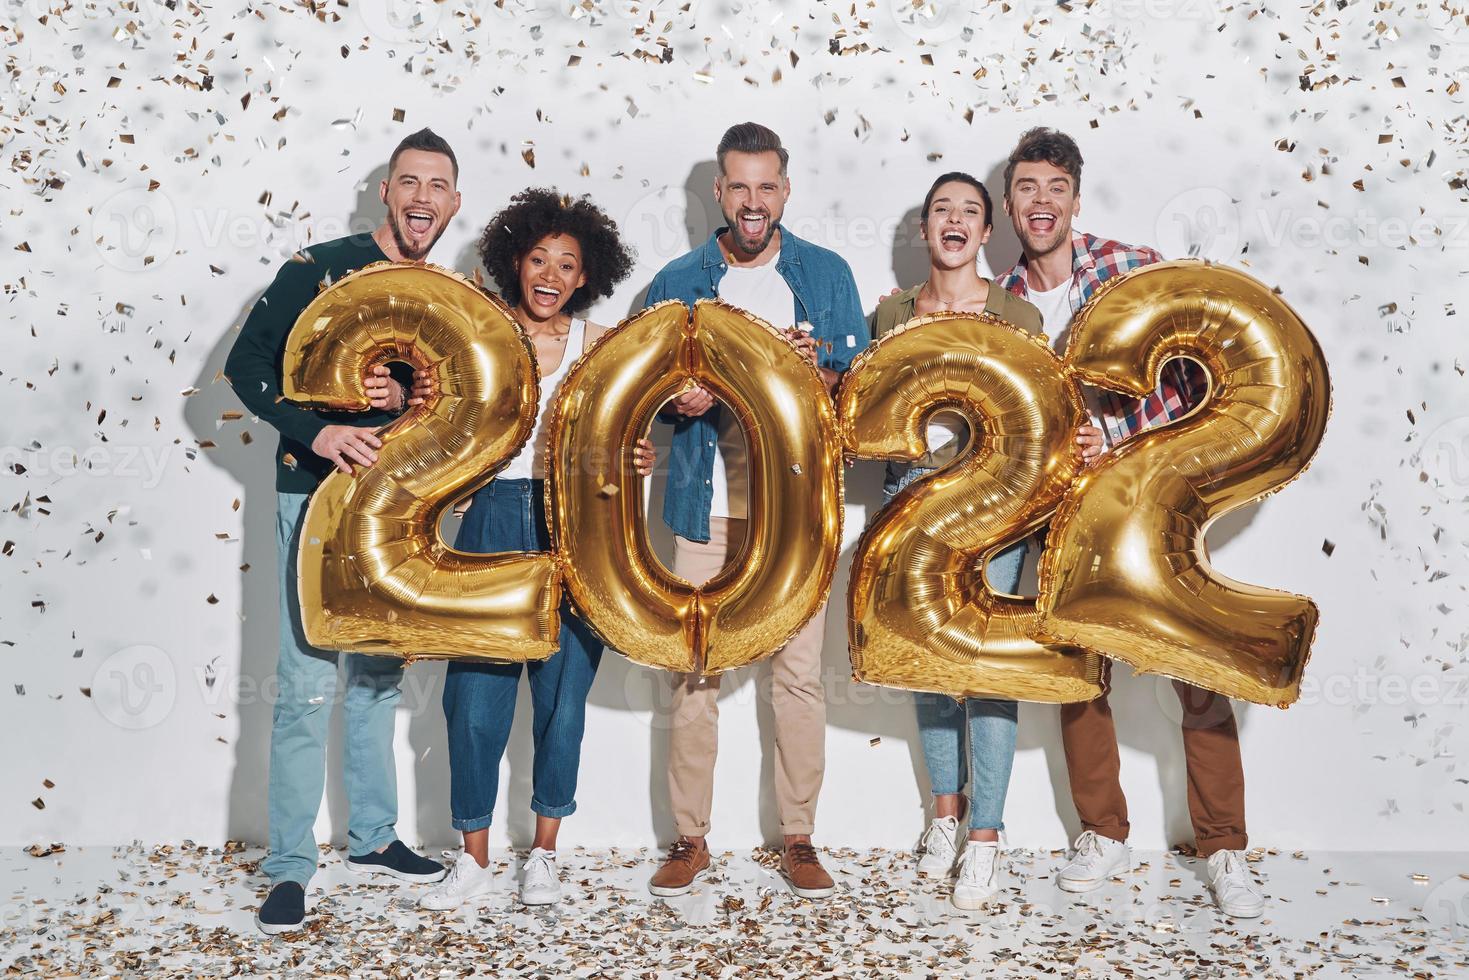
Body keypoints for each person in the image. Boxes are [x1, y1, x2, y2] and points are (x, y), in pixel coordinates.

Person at [995, 127, 1263, 918]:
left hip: (1149, 501)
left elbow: (1195, 376)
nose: (1039, 203)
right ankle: (1101, 830)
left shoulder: (1131, 270)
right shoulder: (999, 298)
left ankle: (1223, 846)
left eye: (1053, 188)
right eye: (1025, 189)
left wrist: (1113, 437)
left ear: (1075, 198)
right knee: (1077, 672)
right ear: (1008, 203)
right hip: (1056, 510)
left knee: (1195, 667)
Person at [225, 128, 461, 935]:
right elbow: (244, 366)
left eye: (437, 185)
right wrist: (318, 430)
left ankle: (371, 839)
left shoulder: (448, 294)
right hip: (314, 500)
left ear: (453, 203)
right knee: (303, 687)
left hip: (395, 514)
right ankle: (289, 869)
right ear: (386, 194)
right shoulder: (318, 266)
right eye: (409, 182)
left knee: (377, 681)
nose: (422, 197)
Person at [643, 122, 869, 901]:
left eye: (765, 186)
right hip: (705, 507)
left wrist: (821, 379)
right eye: (738, 186)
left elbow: (859, 399)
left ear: (784, 191)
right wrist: (681, 398)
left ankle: (798, 837)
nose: (752, 202)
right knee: (694, 673)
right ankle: (689, 837)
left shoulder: (826, 273)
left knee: (799, 677)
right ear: (718, 192)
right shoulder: (676, 280)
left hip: (796, 514)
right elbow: (637, 399)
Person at [415, 188, 656, 911]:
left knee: (562, 699)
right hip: (489, 518)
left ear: (585, 277)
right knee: (474, 700)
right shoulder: (478, 336)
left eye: (567, 263)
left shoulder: (603, 345)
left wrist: (635, 455)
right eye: (539, 258)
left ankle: (544, 855)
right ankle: (472, 858)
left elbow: (625, 435)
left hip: (573, 525)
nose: (550, 273)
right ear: (515, 263)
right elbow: (441, 425)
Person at [870, 172, 1044, 910]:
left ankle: (985, 836)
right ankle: (944, 814)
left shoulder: (1018, 315)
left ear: (983, 233)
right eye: (942, 208)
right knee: (926, 665)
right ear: (924, 230)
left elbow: (1039, 418)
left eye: (969, 211)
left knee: (987, 668)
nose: (954, 220)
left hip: (994, 507)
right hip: (907, 499)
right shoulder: (891, 314)